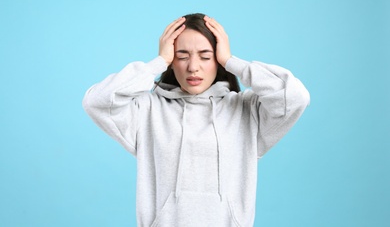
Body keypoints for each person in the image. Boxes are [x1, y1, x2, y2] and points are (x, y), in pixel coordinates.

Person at [82, 13, 310, 227]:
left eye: (205, 56)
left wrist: (232, 61)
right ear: (172, 61)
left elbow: (295, 97)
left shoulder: (246, 111)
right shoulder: (148, 112)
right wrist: (157, 63)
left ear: (218, 60)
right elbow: (97, 101)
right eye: (182, 56)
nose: (193, 67)